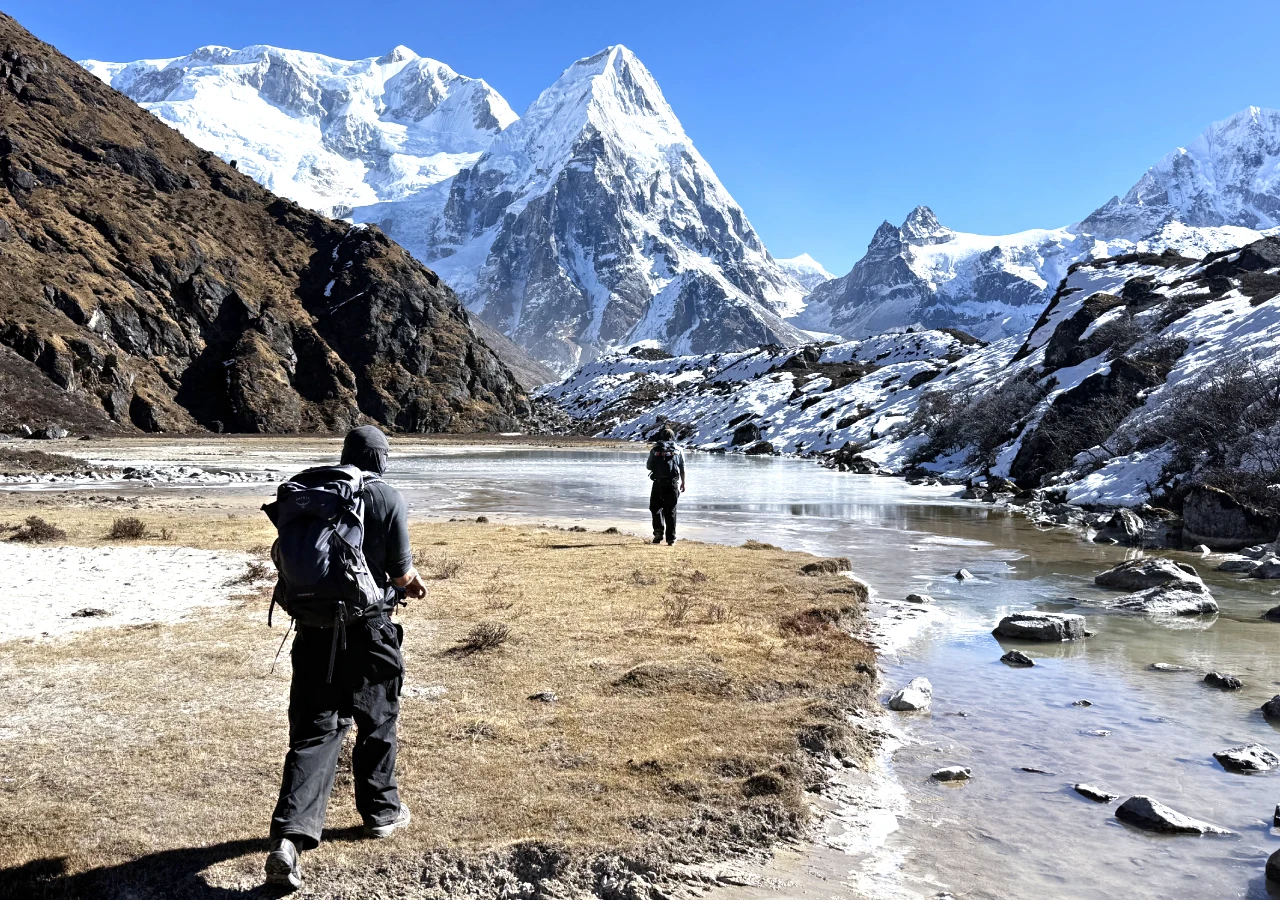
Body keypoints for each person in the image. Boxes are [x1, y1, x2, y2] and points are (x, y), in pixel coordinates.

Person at [264, 426, 428, 891]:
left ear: (346, 453)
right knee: (377, 719)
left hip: (314, 630)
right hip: (368, 630)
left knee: (315, 733)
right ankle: (381, 813)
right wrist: (414, 584)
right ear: (382, 459)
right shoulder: (384, 496)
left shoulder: (314, 492)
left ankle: (289, 840)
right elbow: (400, 573)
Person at [646, 425, 686, 545]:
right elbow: (682, 467)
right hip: (672, 483)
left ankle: (658, 533)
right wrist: (683, 483)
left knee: (655, 508)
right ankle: (671, 539)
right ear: (673, 437)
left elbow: (648, 466)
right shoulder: (678, 450)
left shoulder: (655, 449)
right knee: (671, 510)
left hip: (658, 483)